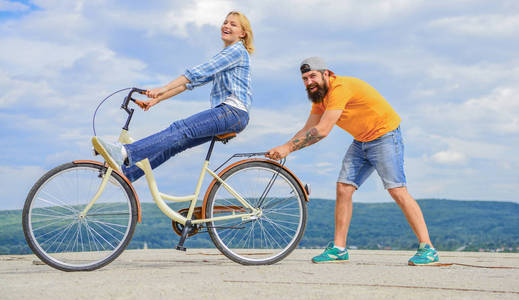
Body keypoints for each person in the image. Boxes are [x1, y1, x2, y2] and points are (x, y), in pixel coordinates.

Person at [266, 57, 439, 266]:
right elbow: (307, 129)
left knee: (396, 190)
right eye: (304, 78)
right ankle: (339, 249)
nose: (309, 82)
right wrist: (284, 147)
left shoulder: (340, 88)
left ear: (326, 73)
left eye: (312, 76)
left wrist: (288, 148)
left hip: (385, 136)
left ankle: (427, 248)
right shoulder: (320, 99)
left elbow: (322, 130)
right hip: (362, 140)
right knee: (344, 188)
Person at [93, 11, 253, 182]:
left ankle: (125, 152)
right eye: (225, 22)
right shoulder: (229, 55)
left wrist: (163, 88)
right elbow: (189, 83)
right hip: (230, 115)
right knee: (175, 144)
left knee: (180, 128)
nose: (226, 26)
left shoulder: (236, 51)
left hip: (232, 112)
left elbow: (198, 72)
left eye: (233, 24)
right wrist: (157, 99)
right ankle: (127, 174)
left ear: (243, 34)